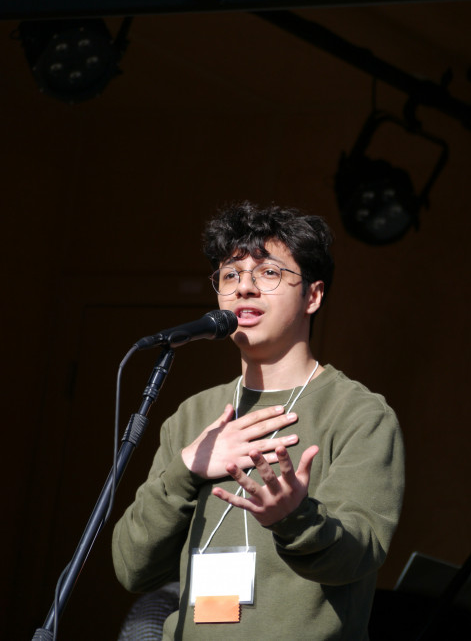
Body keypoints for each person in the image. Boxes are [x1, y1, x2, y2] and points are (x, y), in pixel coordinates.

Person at [112, 201, 405, 640]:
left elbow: (357, 556)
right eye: (230, 275)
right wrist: (186, 471)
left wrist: (293, 518)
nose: (244, 288)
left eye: (268, 273)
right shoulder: (191, 416)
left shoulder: (359, 413)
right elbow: (132, 567)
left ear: (313, 295)